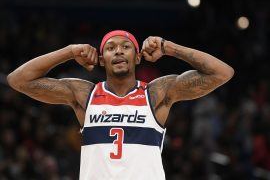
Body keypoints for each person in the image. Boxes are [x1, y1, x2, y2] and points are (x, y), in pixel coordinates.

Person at [7, 30, 234, 180]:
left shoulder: (155, 93)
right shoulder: (85, 94)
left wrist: (168, 48)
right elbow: (18, 81)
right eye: (110, 47)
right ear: (101, 58)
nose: (118, 51)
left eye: (125, 46)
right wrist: (69, 52)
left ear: (137, 57)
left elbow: (222, 73)